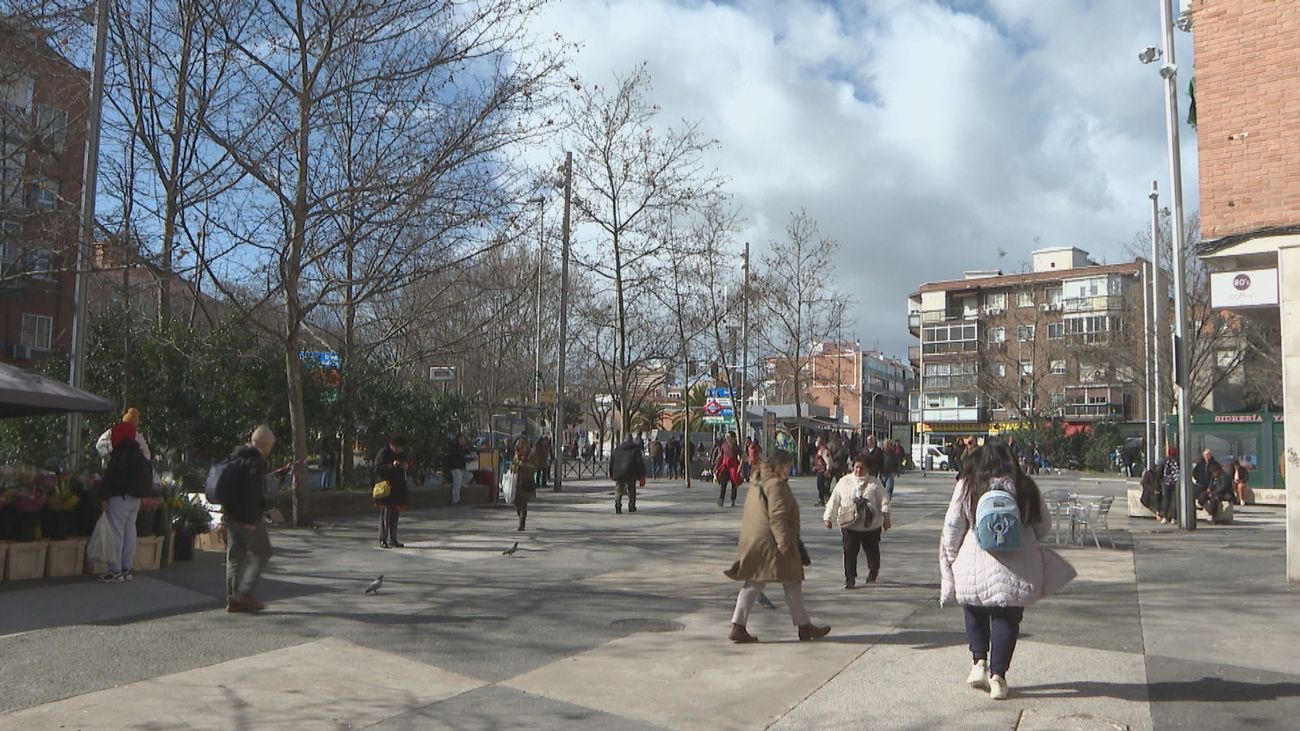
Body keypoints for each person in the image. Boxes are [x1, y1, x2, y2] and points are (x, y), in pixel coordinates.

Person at [940, 438, 1068, 701]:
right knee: (1006, 619)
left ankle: (979, 663)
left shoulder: (968, 484)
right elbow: (1044, 525)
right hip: (1017, 563)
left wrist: (952, 557)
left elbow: (953, 525)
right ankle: (998, 677)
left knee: (973, 608)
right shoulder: (1024, 485)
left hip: (975, 557)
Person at [725, 449, 831, 643]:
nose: (790, 470)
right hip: (772, 543)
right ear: (779, 466)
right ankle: (740, 626)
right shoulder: (776, 485)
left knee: (765, 582)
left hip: (756, 540)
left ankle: (802, 626)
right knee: (779, 582)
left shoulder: (758, 482)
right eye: (788, 466)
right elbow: (778, 515)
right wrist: (782, 540)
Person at [223, 425, 276, 612]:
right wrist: (252, 520)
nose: (270, 451)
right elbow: (251, 493)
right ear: (265, 444)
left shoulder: (237, 456)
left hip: (231, 515)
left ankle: (233, 598)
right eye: (270, 446)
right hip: (247, 517)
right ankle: (245, 593)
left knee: (235, 556)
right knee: (263, 552)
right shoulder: (255, 460)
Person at [823, 451, 892, 589]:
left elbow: (884, 500)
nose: (858, 470)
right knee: (849, 551)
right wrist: (828, 517)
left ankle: (873, 570)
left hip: (871, 526)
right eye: (856, 467)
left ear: (868, 469)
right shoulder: (844, 481)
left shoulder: (875, 483)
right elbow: (834, 500)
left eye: (862, 467)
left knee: (872, 551)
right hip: (849, 525)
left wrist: (886, 517)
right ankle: (850, 578)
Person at [98, 421, 154, 583]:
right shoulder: (140, 455)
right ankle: (127, 569)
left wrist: (103, 496)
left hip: (119, 497)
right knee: (130, 532)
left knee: (116, 532)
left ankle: (115, 570)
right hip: (135, 499)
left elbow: (111, 478)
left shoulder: (120, 454)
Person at [373, 435, 411, 548]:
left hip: (398, 489)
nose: (399, 449)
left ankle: (393, 539)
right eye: (397, 447)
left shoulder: (402, 455)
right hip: (386, 488)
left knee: (395, 515)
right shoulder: (383, 453)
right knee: (386, 514)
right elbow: (377, 469)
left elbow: (405, 469)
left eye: (400, 447)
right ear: (392, 445)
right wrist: (392, 466)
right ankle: (383, 539)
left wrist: (406, 467)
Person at [610, 435, 647, 513]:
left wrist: (611, 473)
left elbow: (612, 461)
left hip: (619, 473)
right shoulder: (635, 449)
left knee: (618, 490)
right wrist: (642, 473)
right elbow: (639, 462)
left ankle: (618, 505)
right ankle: (631, 506)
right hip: (631, 472)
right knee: (631, 490)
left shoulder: (618, 449)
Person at [509, 438, 540, 531]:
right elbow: (512, 466)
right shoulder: (516, 455)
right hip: (517, 482)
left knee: (523, 503)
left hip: (526, 482)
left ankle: (522, 523)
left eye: (522, 447)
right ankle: (520, 517)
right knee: (517, 503)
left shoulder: (531, 455)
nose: (521, 449)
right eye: (519, 447)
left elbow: (534, 468)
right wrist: (514, 466)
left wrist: (523, 465)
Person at [715, 432, 742, 508]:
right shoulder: (724, 446)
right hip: (725, 465)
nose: (728, 438)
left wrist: (740, 467)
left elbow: (742, 457)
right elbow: (721, 455)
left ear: (734, 438)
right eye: (727, 437)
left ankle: (733, 499)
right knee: (723, 483)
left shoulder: (737, 447)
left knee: (734, 483)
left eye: (729, 437)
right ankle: (721, 499)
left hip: (734, 466)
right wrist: (716, 466)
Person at [445, 433, 471, 505]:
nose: (464, 440)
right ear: (459, 439)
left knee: (469, 476)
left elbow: (466, 454)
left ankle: (456, 483)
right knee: (458, 479)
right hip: (454, 468)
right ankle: (455, 500)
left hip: (459, 468)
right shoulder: (455, 447)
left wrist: (467, 448)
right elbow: (462, 458)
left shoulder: (462, 448)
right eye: (462, 439)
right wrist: (471, 459)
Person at [1158, 447, 1180, 525]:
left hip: (1166, 482)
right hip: (1176, 483)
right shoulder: (1178, 461)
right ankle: (1174, 518)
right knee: (1175, 500)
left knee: (1166, 500)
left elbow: (1160, 471)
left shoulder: (1165, 461)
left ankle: (1165, 517)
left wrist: (1161, 480)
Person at [812, 436, 829, 506]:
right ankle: (821, 499)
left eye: (818, 441)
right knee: (819, 485)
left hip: (823, 470)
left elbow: (828, 461)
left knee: (822, 486)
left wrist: (828, 469)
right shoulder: (819, 450)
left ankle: (825, 498)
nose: (816, 442)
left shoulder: (824, 450)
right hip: (819, 470)